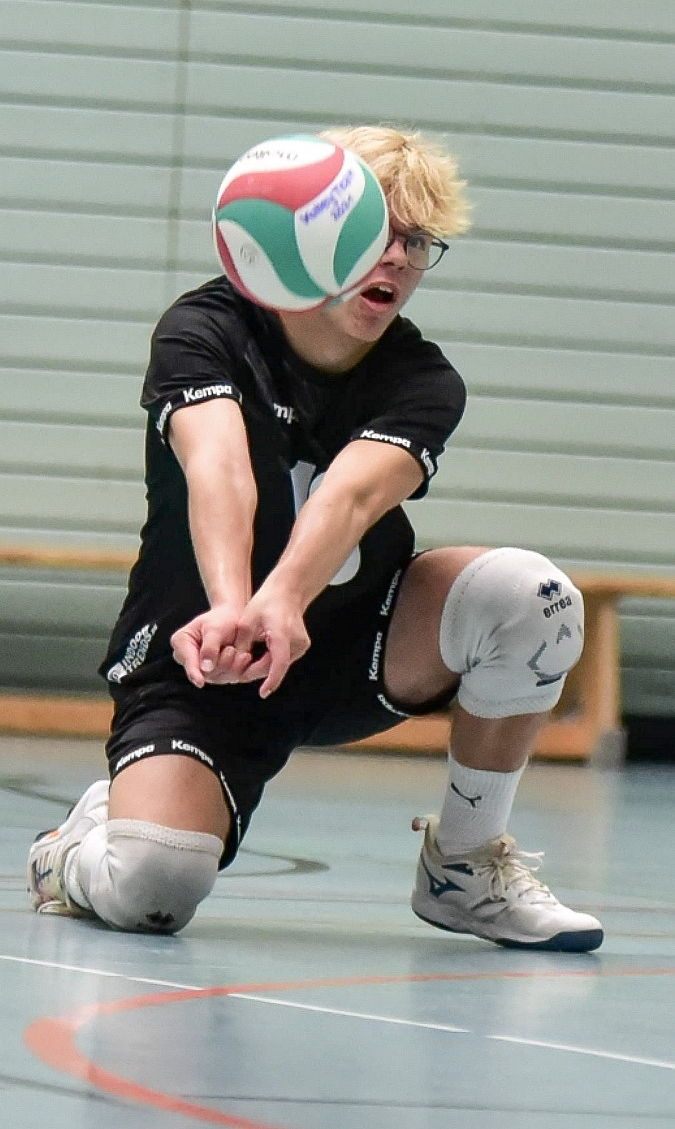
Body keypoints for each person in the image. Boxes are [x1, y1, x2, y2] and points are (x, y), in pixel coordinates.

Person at [27, 125, 603, 951]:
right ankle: (73, 850)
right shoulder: (206, 327)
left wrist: (281, 604)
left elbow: (351, 493)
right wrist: (234, 609)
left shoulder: (421, 377)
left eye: (417, 241)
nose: (398, 258)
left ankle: (463, 866)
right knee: (154, 887)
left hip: (352, 646)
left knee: (533, 598)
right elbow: (220, 469)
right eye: (377, 234)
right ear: (311, 237)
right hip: (202, 661)